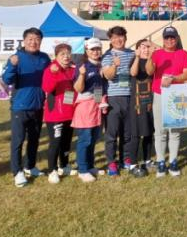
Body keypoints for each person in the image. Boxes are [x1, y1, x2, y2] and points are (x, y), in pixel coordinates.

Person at [2, 27, 51, 188]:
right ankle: (17, 171)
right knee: (18, 140)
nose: (33, 42)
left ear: (41, 41)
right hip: (20, 106)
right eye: (30, 39)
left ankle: (30, 166)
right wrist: (12, 65)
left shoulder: (44, 58)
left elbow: (51, 76)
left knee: (34, 139)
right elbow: (7, 80)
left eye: (37, 39)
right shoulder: (16, 57)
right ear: (24, 40)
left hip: (38, 105)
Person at [147, 26, 187, 177]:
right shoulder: (157, 54)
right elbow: (149, 71)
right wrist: (150, 57)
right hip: (160, 94)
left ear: (177, 38)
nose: (170, 40)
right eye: (167, 37)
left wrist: (174, 78)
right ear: (163, 39)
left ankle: (173, 161)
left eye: (172, 37)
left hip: (177, 95)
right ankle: (161, 161)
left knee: (175, 130)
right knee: (160, 130)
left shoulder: (183, 53)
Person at [101, 26, 136, 176]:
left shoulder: (132, 54)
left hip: (130, 97)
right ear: (110, 40)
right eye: (114, 37)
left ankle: (125, 159)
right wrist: (114, 65)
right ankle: (111, 162)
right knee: (112, 134)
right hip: (113, 99)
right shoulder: (107, 56)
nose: (118, 40)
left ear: (125, 38)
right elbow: (108, 76)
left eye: (120, 36)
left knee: (127, 132)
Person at [41, 43, 77, 184]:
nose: (66, 57)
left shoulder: (72, 69)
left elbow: (74, 90)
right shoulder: (51, 69)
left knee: (66, 142)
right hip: (55, 115)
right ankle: (52, 170)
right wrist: (54, 73)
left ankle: (64, 165)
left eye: (68, 54)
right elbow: (47, 88)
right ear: (56, 56)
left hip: (69, 113)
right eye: (62, 54)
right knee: (55, 143)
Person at [72, 38, 105, 183]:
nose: (95, 52)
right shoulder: (82, 66)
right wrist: (82, 75)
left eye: (98, 49)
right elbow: (78, 89)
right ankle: (82, 170)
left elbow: (99, 88)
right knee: (84, 139)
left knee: (93, 139)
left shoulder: (101, 65)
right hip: (85, 106)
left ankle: (90, 166)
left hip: (96, 105)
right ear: (86, 51)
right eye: (92, 49)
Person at [128, 39, 155, 177]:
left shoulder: (153, 61)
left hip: (150, 101)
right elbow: (133, 73)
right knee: (136, 134)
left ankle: (147, 160)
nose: (146, 49)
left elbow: (150, 72)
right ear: (138, 48)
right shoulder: (134, 60)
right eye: (143, 47)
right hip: (136, 103)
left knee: (149, 132)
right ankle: (133, 164)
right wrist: (137, 57)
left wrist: (150, 57)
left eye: (148, 47)